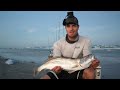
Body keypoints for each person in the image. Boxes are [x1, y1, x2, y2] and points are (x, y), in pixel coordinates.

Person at [40, 11, 100, 79]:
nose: (71, 29)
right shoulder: (57, 44)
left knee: (90, 72)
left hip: (78, 70)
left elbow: (87, 60)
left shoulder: (86, 41)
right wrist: (56, 69)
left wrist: (92, 65)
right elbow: (56, 60)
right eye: (68, 26)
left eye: (74, 26)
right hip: (61, 71)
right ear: (65, 28)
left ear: (78, 27)